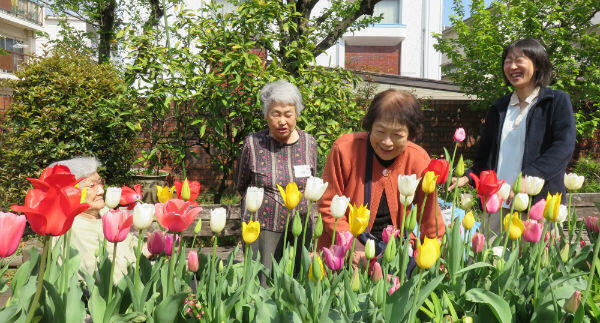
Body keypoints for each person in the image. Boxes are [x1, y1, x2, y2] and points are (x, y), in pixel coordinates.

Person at [451, 38, 576, 233]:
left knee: (534, 262)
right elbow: (485, 157)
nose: (512, 66)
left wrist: (529, 179)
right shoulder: (498, 108)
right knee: (491, 260)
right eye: (508, 61)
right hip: (497, 205)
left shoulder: (555, 101)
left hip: (538, 206)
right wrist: (467, 176)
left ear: (538, 63)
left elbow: (563, 147)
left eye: (520, 60)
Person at [317, 89, 445, 261]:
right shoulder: (345, 149)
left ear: (411, 134)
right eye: (380, 132)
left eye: (397, 135)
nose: (387, 142)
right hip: (345, 251)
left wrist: (436, 258)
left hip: (396, 251)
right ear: (370, 125)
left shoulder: (418, 159)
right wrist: (353, 246)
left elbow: (430, 216)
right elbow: (328, 205)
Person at [236, 80, 318, 279]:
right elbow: (242, 184)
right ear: (266, 115)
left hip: (300, 226)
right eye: (276, 113)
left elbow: (313, 182)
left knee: (297, 281)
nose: (283, 121)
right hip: (262, 227)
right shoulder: (253, 143)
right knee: (262, 282)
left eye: (288, 114)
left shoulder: (309, 143)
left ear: (296, 114)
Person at [51, 156, 137, 281]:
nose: (101, 190)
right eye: (91, 186)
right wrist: (141, 256)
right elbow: (110, 276)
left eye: (100, 182)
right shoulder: (73, 228)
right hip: (96, 297)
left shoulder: (105, 212)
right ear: (70, 192)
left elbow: (132, 244)